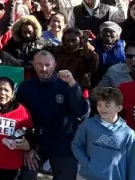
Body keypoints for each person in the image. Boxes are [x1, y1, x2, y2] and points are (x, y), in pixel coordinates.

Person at [16, 51, 89, 180]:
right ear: (33, 65)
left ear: (55, 65)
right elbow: (19, 118)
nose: (44, 69)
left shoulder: (67, 84)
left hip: (64, 143)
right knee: (27, 176)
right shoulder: (25, 87)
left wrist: (73, 85)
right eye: (39, 64)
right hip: (37, 143)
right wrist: (27, 147)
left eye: (47, 65)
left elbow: (82, 111)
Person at [71, 87, 135, 180]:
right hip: (86, 177)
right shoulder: (88, 124)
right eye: (99, 104)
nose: (102, 109)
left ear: (119, 108)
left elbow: (133, 163)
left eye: (107, 105)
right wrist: (87, 163)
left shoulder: (128, 134)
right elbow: (76, 145)